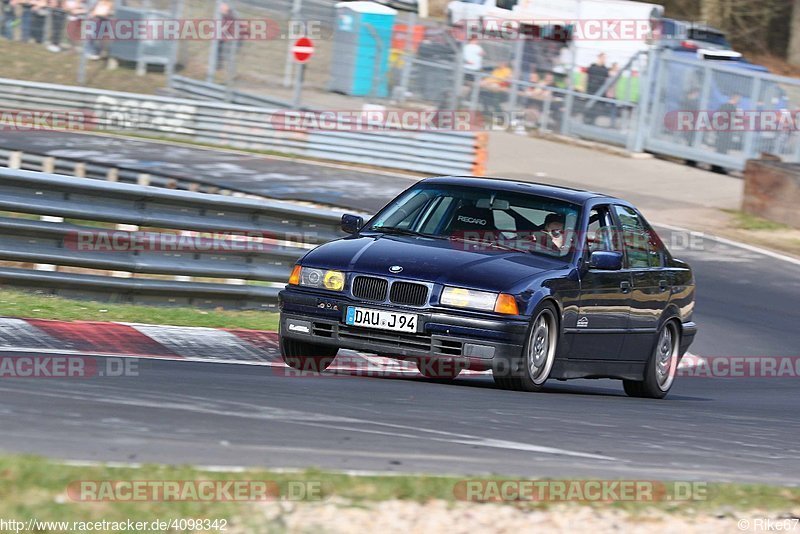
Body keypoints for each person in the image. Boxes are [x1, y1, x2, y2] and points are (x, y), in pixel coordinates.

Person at [584, 52, 609, 124]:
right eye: (604, 58)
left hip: (599, 92)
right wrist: (584, 88)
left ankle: (592, 122)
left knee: (596, 110)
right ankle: (585, 122)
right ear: (599, 57)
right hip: (590, 90)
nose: (605, 59)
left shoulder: (605, 69)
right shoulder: (592, 67)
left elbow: (606, 81)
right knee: (588, 108)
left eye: (605, 58)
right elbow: (585, 77)